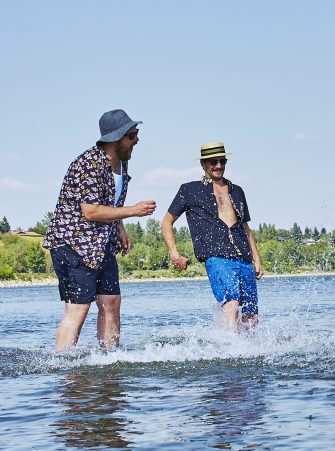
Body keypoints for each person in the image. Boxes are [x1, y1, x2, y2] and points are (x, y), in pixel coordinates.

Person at [44, 109, 157, 351]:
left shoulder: (121, 164)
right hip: (73, 245)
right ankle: (64, 366)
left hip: (100, 244)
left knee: (111, 302)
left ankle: (109, 359)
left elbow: (109, 204)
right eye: (131, 135)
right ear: (116, 138)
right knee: (78, 309)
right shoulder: (89, 164)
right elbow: (91, 211)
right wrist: (132, 211)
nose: (136, 140)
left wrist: (120, 228)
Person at [161, 142, 263, 333]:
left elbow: (246, 228)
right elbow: (167, 221)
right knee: (231, 303)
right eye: (213, 162)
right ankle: (230, 351)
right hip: (217, 258)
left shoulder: (237, 191)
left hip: (244, 259)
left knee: (251, 316)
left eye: (222, 161)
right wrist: (174, 253)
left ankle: (248, 355)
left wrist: (256, 259)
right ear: (203, 164)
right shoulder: (189, 190)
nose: (218, 165)